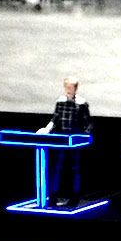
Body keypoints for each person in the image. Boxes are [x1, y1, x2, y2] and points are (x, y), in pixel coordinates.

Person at [36, 76, 92, 207]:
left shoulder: (82, 103)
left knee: (74, 169)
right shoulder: (60, 101)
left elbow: (87, 122)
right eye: (66, 87)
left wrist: (85, 136)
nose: (68, 89)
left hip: (75, 140)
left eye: (71, 87)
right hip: (61, 139)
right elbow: (55, 119)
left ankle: (74, 197)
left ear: (75, 88)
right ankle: (53, 196)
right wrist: (47, 129)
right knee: (56, 167)